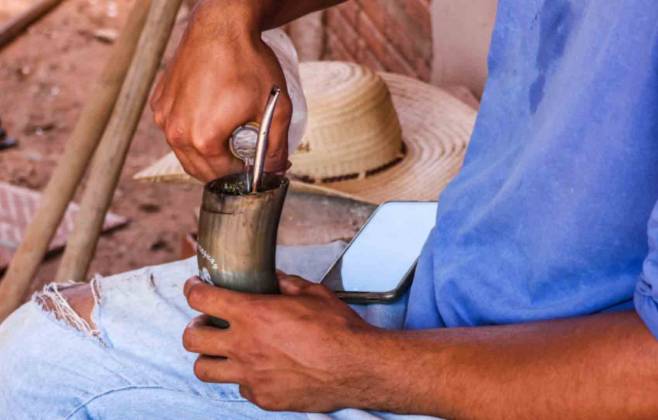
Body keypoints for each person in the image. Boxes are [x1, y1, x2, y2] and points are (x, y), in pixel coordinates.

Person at [1, 0, 658, 418]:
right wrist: (228, 20)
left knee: (37, 375)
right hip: (457, 267)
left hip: (528, 380)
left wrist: (355, 368)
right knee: (34, 352)